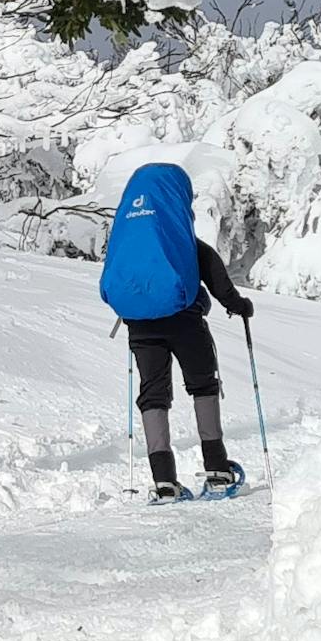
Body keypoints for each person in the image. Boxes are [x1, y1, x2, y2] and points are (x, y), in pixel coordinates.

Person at [112, 169, 255, 501]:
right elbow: (216, 277)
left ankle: (164, 483)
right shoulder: (183, 240)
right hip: (184, 320)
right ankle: (217, 471)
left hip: (140, 323)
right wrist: (239, 306)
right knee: (203, 385)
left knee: (153, 394)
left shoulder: (129, 237)